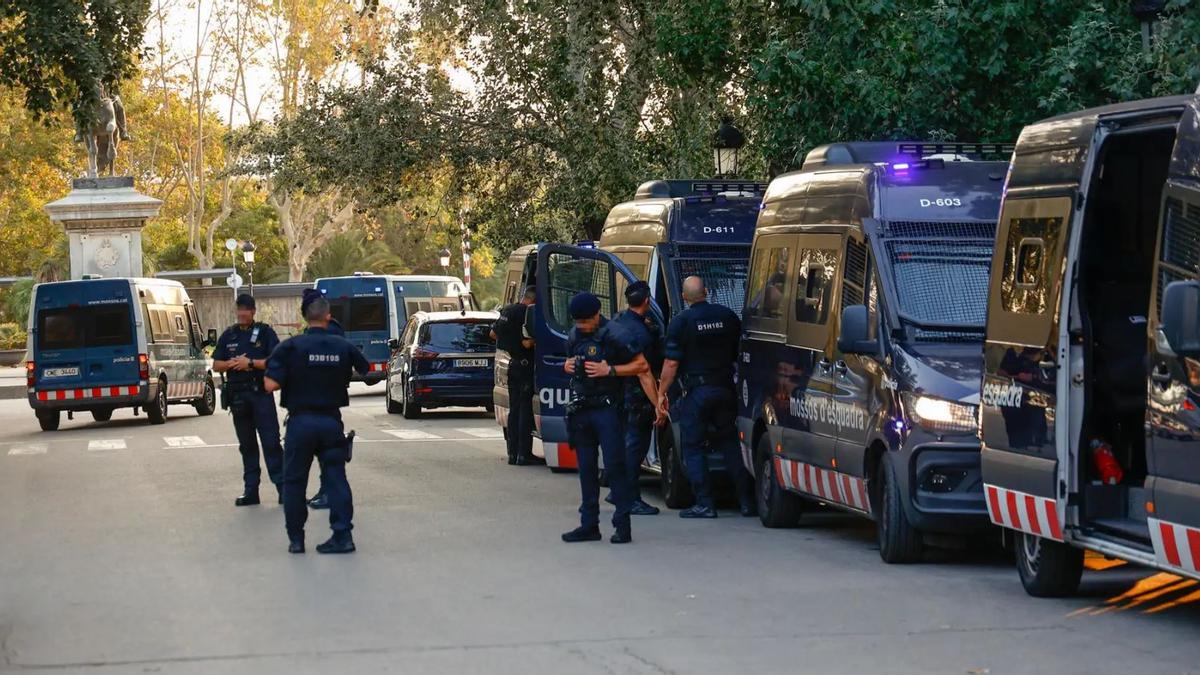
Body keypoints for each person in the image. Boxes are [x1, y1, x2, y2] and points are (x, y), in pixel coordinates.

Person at [265, 289, 369, 554]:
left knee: (295, 482)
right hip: (331, 423)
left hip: (300, 423)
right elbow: (367, 370)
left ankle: (296, 539)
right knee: (336, 479)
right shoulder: (342, 346)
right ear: (329, 316)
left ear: (304, 318)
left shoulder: (290, 347)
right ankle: (343, 535)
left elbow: (270, 384)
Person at [657, 276, 754, 519]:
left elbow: (671, 362)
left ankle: (704, 504)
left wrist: (661, 393)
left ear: (683, 297)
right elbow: (739, 353)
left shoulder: (681, 322)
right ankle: (746, 501)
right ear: (707, 291)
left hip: (697, 394)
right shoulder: (728, 316)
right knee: (731, 444)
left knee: (693, 446)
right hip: (725, 390)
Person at [560, 292, 651, 544]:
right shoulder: (574, 334)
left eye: (585, 322)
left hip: (608, 409)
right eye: (578, 322)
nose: (582, 327)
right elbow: (569, 362)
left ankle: (622, 525)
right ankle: (589, 525)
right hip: (582, 409)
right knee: (586, 469)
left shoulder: (617, 334)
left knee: (614, 467)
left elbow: (642, 366)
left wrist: (609, 370)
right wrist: (566, 366)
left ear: (597, 315)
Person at [212, 294, 283, 507]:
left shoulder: (265, 332)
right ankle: (251, 492)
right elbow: (216, 364)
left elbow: (276, 360)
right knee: (247, 446)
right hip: (238, 397)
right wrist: (233, 364)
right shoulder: (229, 334)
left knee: (271, 443)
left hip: (260, 395)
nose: (242, 313)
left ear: (253, 311)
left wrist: (250, 363)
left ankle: (283, 489)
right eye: (239, 309)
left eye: (246, 309)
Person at [609, 281, 664, 515]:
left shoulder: (617, 322)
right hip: (635, 396)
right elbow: (644, 372)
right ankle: (630, 498)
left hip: (615, 394)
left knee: (622, 444)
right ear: (647, 301)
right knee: (635, 446)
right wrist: (658, 403)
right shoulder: (641, 332)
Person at [491, 286, 543, 465]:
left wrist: (509, 341)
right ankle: (523, 454)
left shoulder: (507, 309)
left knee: (514, 410)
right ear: (534, 300)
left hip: (511, 363)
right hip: (525, 365)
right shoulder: (526, 313)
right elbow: (527, 344)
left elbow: (493, 334)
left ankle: (512, 454)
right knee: (524, 411)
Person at [304, 314, 345, 511]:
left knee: (328, 453)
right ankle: (324, 490)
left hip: (327, 400)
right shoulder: (314, 331)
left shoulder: (332, 330)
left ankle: (330, 494)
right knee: (322, 453)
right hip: (317, 398)